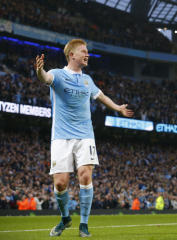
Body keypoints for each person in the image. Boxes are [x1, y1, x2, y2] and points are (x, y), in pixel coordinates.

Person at [36, 39, 133, 237]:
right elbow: (45, 79)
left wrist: (118, 108)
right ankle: (65, 218)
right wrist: (39, 70)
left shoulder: (87, 80)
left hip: (85, 135)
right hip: (61, 136)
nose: (87, 54)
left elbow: (101, 96)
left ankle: (84, 224)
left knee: (86, 176)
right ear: (72, 55)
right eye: (84, 51)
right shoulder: (58, 74)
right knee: (61, 183)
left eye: (87, 51)